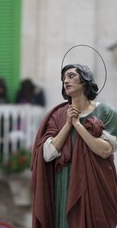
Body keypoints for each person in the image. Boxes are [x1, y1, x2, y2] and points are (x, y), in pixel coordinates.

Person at [31, 64, 117, 228]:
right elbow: (47, 154)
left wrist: (77, 124)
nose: (66, 81)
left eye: (71, 76)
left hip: (95, 186)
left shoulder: (106, 112)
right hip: (64, 183)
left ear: (85, 81)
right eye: (64, 78)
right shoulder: (57, 115)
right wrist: (68, 124)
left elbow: (104, 150)